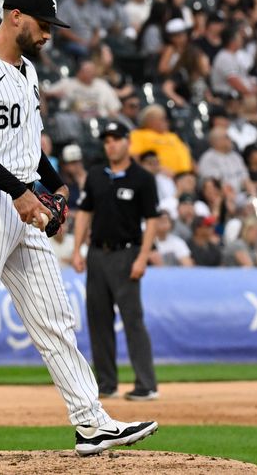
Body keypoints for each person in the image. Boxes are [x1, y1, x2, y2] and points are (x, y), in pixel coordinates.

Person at [0, 0, 156, 462]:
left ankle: (91, 422)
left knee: (55, 320)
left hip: (22, 202)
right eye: (42, 25)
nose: (47, 35)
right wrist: (20, 193)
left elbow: (29, 144)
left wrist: (56, 185)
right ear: (14, 17)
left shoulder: (28, 72)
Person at [72, 120, 160, 402]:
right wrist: (77, 250)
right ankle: (106, 383)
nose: (111, 144)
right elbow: (85, 212)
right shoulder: (96, 175)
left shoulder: (143, 178)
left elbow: (152, 220)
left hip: (127, 253)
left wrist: (143, 257)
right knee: (98, 320)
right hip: (97, 252)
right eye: (106, 140)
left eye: (116, 139)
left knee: (133, 319)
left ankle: (146, 384)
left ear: (127, 141)